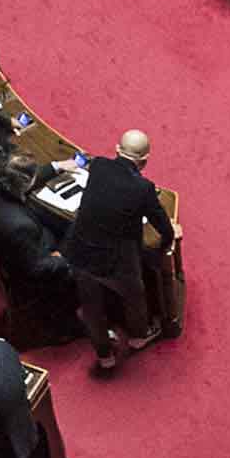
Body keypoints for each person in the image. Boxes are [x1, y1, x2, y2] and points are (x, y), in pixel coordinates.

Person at [66, 129, 176, 374]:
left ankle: (104, 355)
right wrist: (169, 237)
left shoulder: (98, 165)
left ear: (116, 150)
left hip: (80, 252)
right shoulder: (143, 188)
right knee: (135, 295)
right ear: (144, 161)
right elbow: (160, 223)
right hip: (113, 260)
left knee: (91, 306)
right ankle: (139, 336)